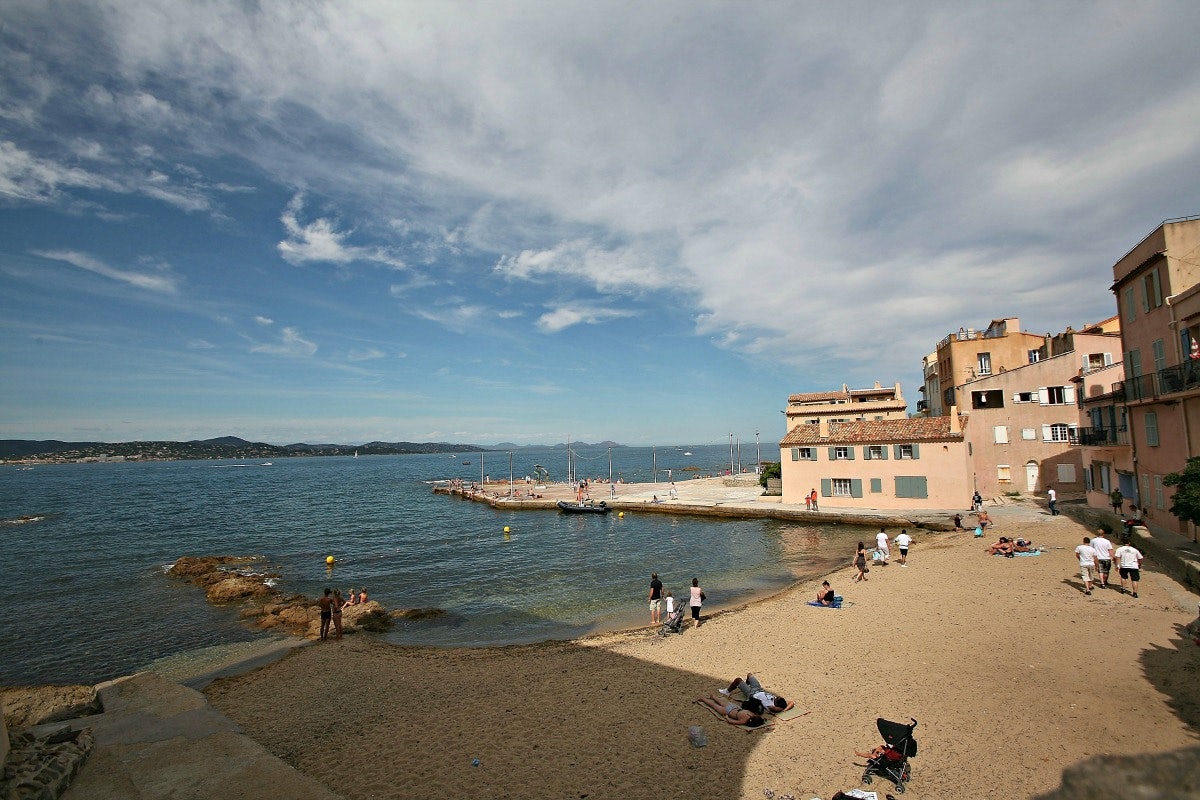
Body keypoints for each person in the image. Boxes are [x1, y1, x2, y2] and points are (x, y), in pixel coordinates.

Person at [719, 673, 789, 714]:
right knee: (749, 675)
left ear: (776, 704)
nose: (776, 697)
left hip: (751, 694)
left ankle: (727, 691)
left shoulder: (770, 705)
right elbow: (791, 703)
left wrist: (782, 710)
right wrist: (785, 709)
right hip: (758, 689)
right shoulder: (778, 701)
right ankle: (745, 685)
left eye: (777, 699)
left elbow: (775, 709)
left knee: (738, 680)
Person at [695, 695, 766, 727]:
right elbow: (732, 721)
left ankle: (713, 697)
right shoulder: (744, 721)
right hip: (728, 711)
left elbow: (760, 717)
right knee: (714, 706)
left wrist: (763, 720)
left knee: (720, 702)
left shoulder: (752, 714)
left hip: (735, 707)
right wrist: (727, 717)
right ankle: (704, 699)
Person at [1090, 524, 1115, 589]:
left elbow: (1091, 549)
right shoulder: (1107, 541)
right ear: (1103, 534)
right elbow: (1110, 550)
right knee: (1106, 571)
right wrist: (1113, 557)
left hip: (1098, 558)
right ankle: (1105, 581)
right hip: (1106, 558)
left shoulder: (1093, 541)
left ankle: (1102, 583)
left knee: (1100, 571)